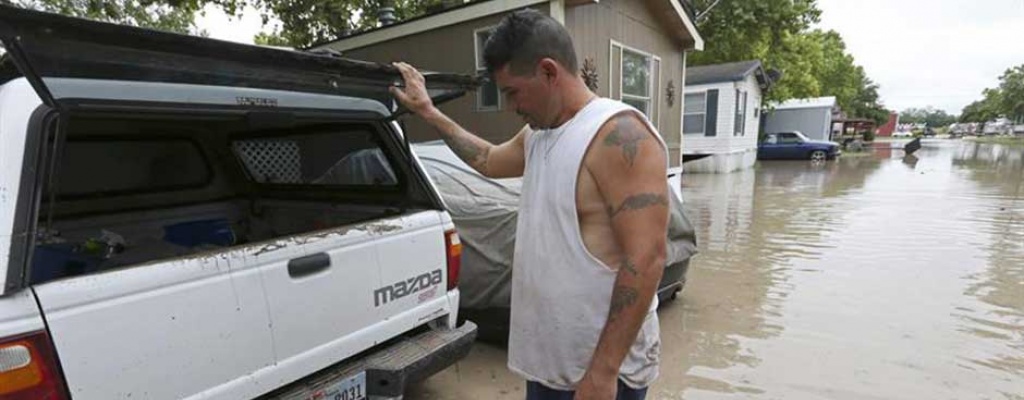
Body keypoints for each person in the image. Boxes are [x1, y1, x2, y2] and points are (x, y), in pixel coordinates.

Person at [389, 9, 668, 400]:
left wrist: (603, 373)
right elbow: (486, 160)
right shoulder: (536, 136)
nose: (509, 106)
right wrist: (428, 113)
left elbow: (648, 259)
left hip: (599, 374)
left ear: (549, 72)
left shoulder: (619, 136)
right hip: (549, 365)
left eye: (513, 92)